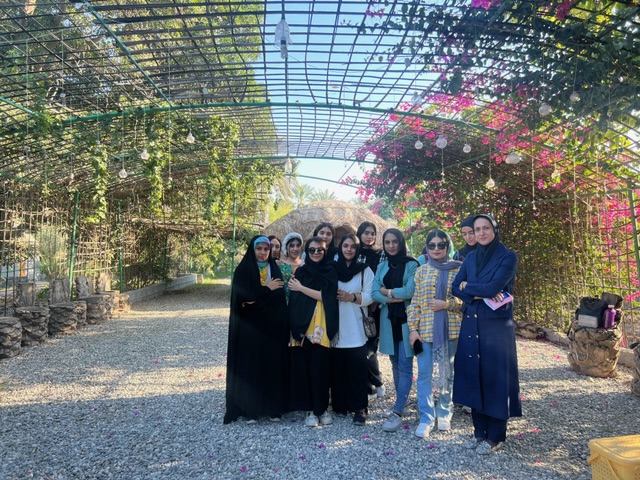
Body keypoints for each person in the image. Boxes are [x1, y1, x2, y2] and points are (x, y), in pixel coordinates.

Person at [451, 214, 521, 455]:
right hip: (472, 322)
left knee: (496, 378)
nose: (481, 233)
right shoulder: (470, 257)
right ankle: (479, 432)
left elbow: (494, 288)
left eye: (486, 228)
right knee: (474, 375)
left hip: (496, 326)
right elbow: (454, 287)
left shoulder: (507, 256)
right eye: (477, 229)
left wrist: (468, 288)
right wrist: (479, 292)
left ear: (494, 229)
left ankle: (495, 436)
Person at [224, 235, 290, 424]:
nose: (262, 252)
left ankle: (273, 408)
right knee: (251, 367)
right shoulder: (243, 270)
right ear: (252, 250)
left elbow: (276, 301)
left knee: (272, 366)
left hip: (271, 329)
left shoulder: (274, 269)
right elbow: (243, 300)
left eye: (266, 249)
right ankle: (250, 410)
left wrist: (257, 299)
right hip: (250, 329)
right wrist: (267, 290)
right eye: (259, 248)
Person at [407, 229, 462, 438]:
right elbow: (415, 303)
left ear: (448, 246)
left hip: (451, 330)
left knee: (448, 373)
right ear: (427, 248)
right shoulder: (421, 271)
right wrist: (413, 329)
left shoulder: (459, 270)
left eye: (441, 245)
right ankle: (426, 417)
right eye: (432, 245)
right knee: (424, 374)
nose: (436, 249)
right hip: (425, 331)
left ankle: (445, 412)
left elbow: (466, 302)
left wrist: (446, 304)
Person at [288, 237, 339, 428]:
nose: (316, 253)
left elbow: (328, 297)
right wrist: (295, 330)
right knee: (305, 369)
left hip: (322, 326)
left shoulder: (330, 270)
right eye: (312, 250)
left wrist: (301, 288)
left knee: (321, 369)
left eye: (320, 250)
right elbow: (294, 302)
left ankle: (322, 408)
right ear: (306, 252)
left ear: (325, 252)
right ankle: (310, 409)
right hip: (305, 326)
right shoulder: (301, 271)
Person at [371, 228, 419, 432]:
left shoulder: (412, 264)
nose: (391, 246)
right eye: (387, 242)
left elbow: (410, 291)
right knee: (394, 363)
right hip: (388, 321)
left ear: (401, 243)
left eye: (394, 241)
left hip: (407, 321)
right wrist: (393, 298)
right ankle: (400, 403)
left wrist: (387, 292)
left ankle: (398, 410)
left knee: (405, 364)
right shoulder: (382, 266)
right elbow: (374, 293)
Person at [332, 234, 374, 425]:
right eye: (345, 245)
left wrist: (352, 297)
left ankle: (359, 408)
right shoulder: (332, 268)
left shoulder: (365, 270)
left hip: (356, 328)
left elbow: (371, 295)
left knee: (358, 371)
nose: (349, 249)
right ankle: (340, 405)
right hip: (335, 327)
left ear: (357, 250)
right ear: (340, 248)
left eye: (353, 247)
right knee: (338, 370)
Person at [356, 221, 385, 400]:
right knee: (358, 347)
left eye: (372, 233)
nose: (369, 236)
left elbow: (380, 278)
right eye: (366, 233)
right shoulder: (354, 251)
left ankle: (377, 381)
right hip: (356, 304)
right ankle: (368, 385)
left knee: (370, 347)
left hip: (374, 306)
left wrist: (373, 299)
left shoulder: (380, 254)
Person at [277, 232, 303, 301]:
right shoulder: (279, 265)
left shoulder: (304, 265)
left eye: (298, 245)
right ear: (286, 247)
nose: (295, 249)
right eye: (292, 246)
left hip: (300, 303)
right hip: (282, 303)